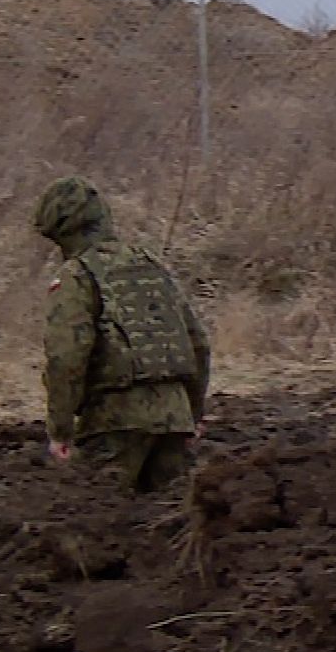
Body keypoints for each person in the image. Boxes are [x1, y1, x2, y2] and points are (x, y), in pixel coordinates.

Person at [35, 176, 211, 494]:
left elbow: (66, 357)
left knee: (100, 520)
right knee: (172, 522)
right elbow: (197, 342)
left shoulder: (76, 276)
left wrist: (60, 430)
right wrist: (193, 413)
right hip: (175, 416)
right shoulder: (152, 265)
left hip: (113, 422)